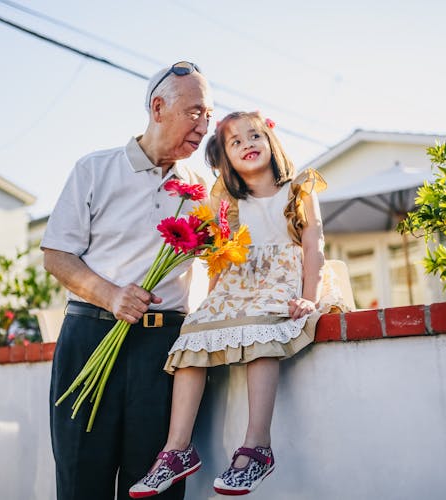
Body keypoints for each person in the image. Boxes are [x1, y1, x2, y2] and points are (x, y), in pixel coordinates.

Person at [129, 111, 347, 498]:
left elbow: (314, 247)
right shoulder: (227, 200)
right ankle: (177, 449)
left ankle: (257, 446)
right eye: (236, 142)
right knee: (192, 335)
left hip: (283, 280)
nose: (247, 144)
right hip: (238, 284)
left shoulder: (298, 188)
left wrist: (309, 298)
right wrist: (211, 301)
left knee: (262, 329)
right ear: (225, 158)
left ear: (271, 142)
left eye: (254, 136)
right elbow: (220, 257)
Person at [41, 61, 213, 500]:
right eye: (195, 112)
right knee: (83, 480)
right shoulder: (94, 169)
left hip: (164, 353)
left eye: (209, 115)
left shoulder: (204, 189)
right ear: (158, 108)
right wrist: (111, 295)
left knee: (155, 490)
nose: (204, 125)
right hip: (91, 339)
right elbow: (56, 254)